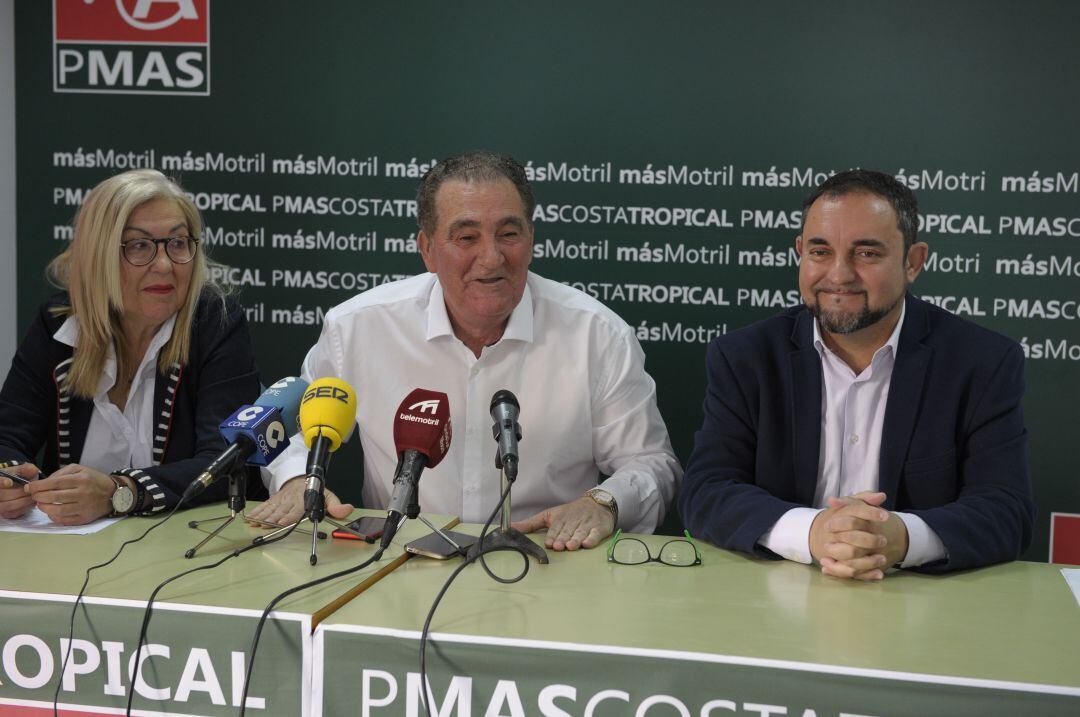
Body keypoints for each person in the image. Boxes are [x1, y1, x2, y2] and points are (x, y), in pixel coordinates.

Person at [250, 151, 681, 550]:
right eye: (466, 237)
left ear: (531, 238)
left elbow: (652, 464)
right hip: (396, 560)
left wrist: (603, 503)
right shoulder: (358, 328)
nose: (491, 258)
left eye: (508, 234)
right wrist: (296, 480)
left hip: (546, 560)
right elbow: (290, 432)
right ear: (427, 250)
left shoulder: (598, 335)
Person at [679, 169, 1034, 579]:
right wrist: (813, 532)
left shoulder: (982, 362)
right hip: (775, 593)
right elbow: (706, 491)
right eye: (820, 251)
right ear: (800, 252)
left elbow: (1006, 511)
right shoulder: (746, 357)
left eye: (866, 253)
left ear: (913, 261)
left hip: (916, 598)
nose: (839, 275)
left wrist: (900, 538)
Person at [0, 169, 261, 525]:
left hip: (184, 546)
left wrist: (120, 492)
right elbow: (8, 434)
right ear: (99, 256)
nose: (164, 265)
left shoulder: (215, 324)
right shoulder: (59, 326)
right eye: (139, 246)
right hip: (69, 549)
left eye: (178, 243)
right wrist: (9, 479)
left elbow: (225, 463)